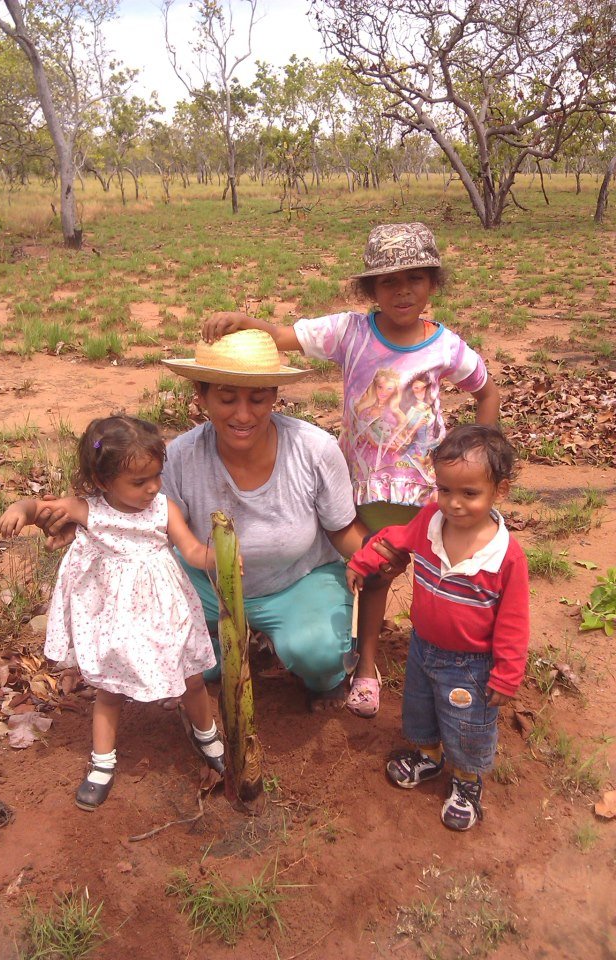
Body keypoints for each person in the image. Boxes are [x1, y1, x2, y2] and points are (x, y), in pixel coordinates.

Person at [201, 222, 500, 719]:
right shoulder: (350, 332)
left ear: (432, 283)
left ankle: (453, 659)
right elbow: (283, 335)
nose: (401, 291)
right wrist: (244, 323)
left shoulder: (446, 347)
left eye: (415, 279)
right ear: (370, 289)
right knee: (373, 572)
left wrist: (483, 456)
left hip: (426, 490)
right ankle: (364, 665)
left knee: (443, 572)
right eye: (387, 282)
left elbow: (485, 389)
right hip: (362, 483)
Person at [0, 415, 225, 812]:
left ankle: (206, 733)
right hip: (114, 616)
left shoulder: (163, 509)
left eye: (156, 476)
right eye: (139, 481)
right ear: (103, 481)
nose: (152, 487)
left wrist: (222, 554)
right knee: (110, 689)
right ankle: (102, 763)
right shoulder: (87, 509)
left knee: (192, 676)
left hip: (165, 608)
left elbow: (190, 550)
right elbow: (40, 508)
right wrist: (20, 508)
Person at [159, 328, 368, 711]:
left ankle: (323, 672)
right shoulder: (181, 456)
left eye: (258, 399)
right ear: (201, 397)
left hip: (296, 580)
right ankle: (218, 654)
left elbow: (341, 530)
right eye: (225, 398)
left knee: (316, 652)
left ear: (274, 395)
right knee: (161, 645)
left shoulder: (313, 450)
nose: (243, 415)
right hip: (208, 586)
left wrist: (379, 555)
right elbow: (162, 524)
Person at [346, 425, 529, 831]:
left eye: (469, 494)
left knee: (468, 725)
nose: (454, 504)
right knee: (421, 708)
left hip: (472, 664)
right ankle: (428, 756)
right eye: (445, 490)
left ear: (499, 489)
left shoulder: (505, 557)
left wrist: (507, 673)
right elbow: (394, 539)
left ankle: (466, 782)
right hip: (423, 647)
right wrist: (363, 562)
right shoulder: (429, 520)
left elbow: (515, 622)